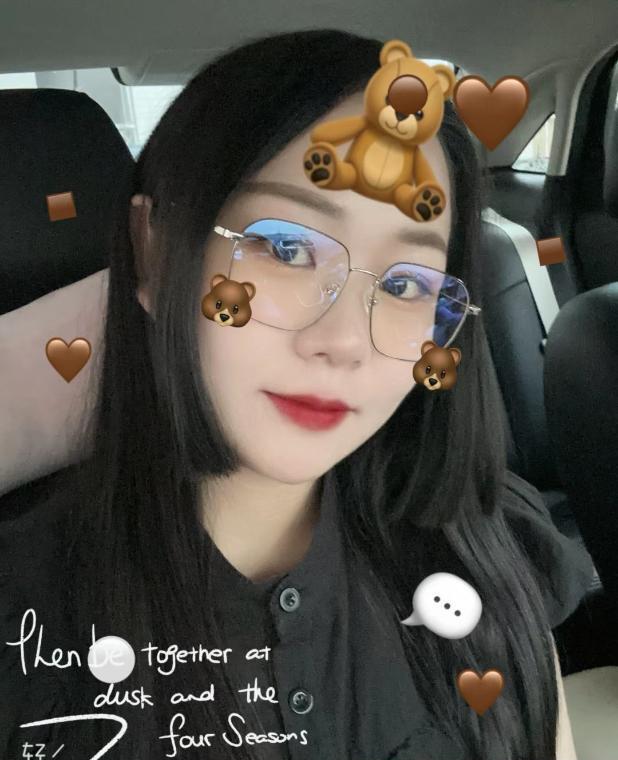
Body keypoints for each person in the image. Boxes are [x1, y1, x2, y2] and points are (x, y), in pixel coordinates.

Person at [0, 28, 593, 760]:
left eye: (406, 284)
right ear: (154, 251)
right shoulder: (25, 617)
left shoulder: (486, 543)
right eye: (287, 247)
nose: (344, 340)